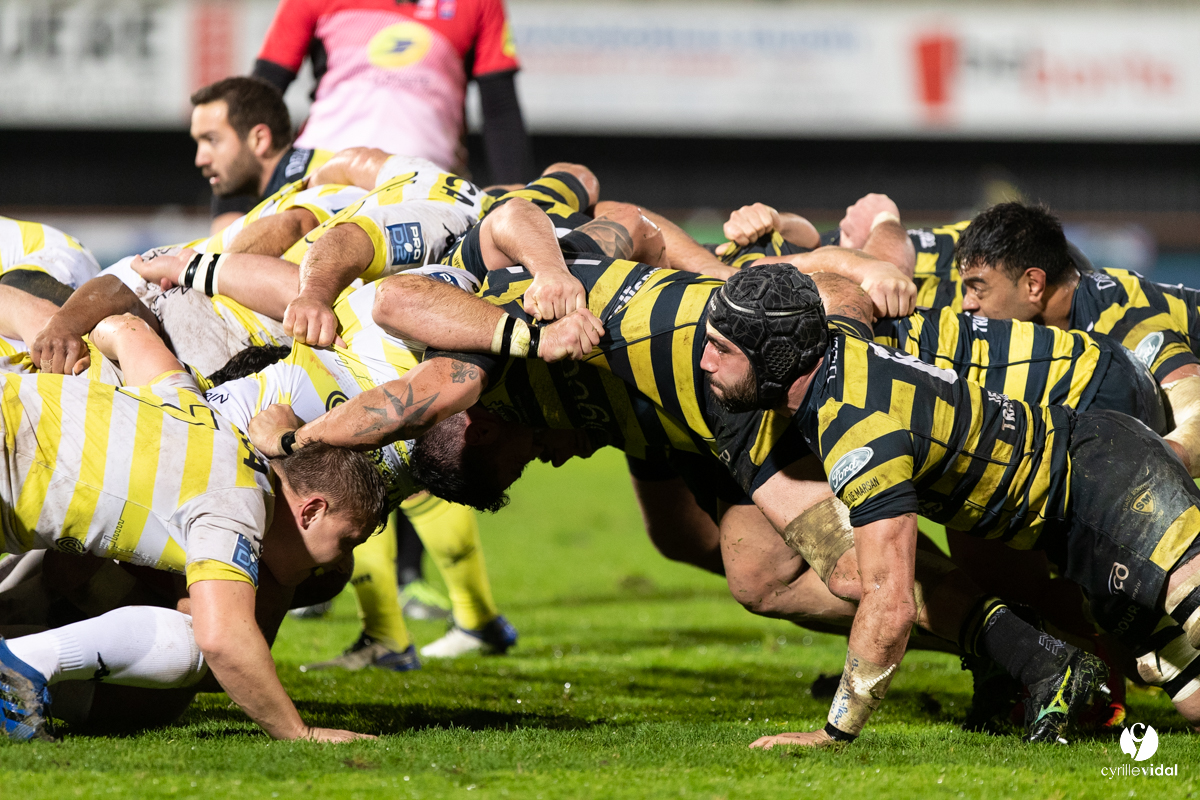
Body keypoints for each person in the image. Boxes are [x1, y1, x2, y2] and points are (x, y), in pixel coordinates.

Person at [698, 264, 1200, 747]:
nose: (704, 362)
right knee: (1191, 697)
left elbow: (890, 603)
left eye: (723, 348)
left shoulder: (858, 434)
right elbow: (846, 294)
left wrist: (833, 733)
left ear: (776, 356)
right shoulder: (838, 341)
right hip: (1072, 526)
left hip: (1109, 478)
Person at [0, 313, 389, 742]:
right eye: (348, 540)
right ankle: (18, 668)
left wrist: (71, 348)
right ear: (311, 510)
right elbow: (222, 639)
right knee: (196, 644)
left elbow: (127, 329)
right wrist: (300, 732)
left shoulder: (203, 412)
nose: (340, 562)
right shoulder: (240, 500)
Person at [251, 0, 533, 184]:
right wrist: (233, 208)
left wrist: (516, 199)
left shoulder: (480, 3)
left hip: (428, 182)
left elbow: (501, 112)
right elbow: (256, 99)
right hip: (318, 174)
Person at [191, 77, 333, 234]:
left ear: (259, 140)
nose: (200, 160)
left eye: (212, 140)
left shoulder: (305, 198)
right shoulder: (313, 170)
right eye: (198, 143)